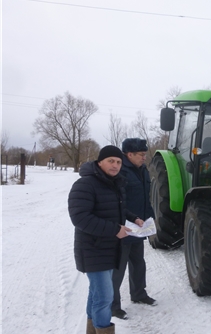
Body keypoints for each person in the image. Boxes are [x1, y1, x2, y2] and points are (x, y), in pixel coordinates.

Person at [68, 145, 139, 333]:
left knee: (96, 294)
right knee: (105, 297)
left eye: (118, 162)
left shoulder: (115, 183)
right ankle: (102, 328)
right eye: (111, 161)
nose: (115, 165)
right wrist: (115, 229)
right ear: (100, 162)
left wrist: (135, 218)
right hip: (92, 249)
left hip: (109, 248)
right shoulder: (85, 184)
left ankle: (92, 330)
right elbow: (80, 218)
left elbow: (118, 209)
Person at [111, 138, 156, 320]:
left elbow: (145, 197)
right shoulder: (120, 171)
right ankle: (113, 305)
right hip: (125, 227)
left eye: (145, 154)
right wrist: (127, 220)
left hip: (139, 227)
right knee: (118, 267)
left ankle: (139, 294)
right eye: (141, 154)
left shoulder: (143, 170)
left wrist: (150, 217)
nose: (144, 157)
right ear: (129, 154)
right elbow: (117, 201)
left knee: (138, 262)